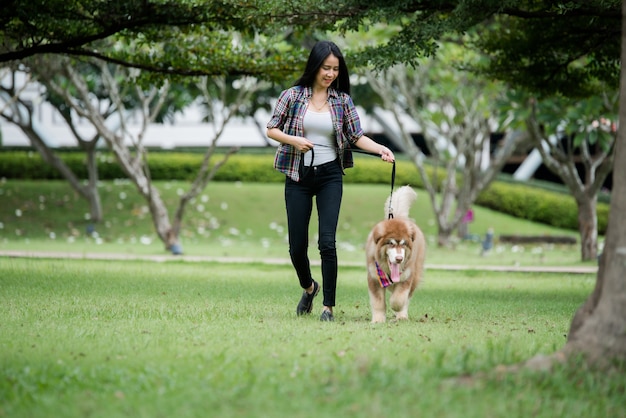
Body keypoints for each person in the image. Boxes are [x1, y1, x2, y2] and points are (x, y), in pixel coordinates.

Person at [266, 41, 395, 322]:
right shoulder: (292, 95)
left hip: (330, 176)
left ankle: (328, 308)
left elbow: (356, 136)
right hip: (298, 175)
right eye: (326, 68)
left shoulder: (342, 100)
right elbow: (272, 129)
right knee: (297, 247)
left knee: (327, 242)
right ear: (315, 66)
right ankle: (310, 288)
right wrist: (294, 140)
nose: (331, 74)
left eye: (336, 69)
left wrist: (381, 149)